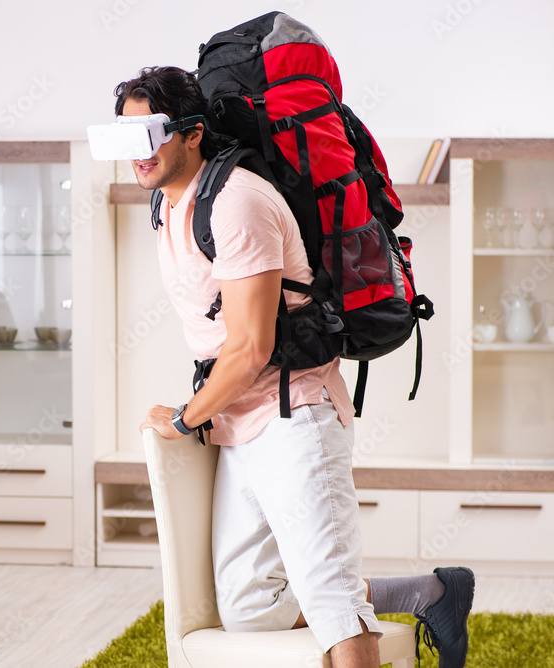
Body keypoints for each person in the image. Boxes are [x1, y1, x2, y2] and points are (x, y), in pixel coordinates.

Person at [118, 66, 475, 668]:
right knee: (253, 605)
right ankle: (430, 593)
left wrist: (186, 418)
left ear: (193, 133)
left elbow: (252, 345)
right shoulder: (167, 203)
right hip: (241, 421)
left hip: (294, 416)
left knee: (333, 601)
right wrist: (210, 413)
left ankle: (400, 602)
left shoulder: (237, 203)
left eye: (151, 134)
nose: (138, 153)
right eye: (125, 138)